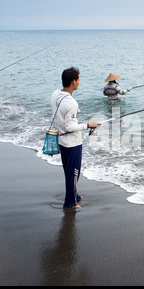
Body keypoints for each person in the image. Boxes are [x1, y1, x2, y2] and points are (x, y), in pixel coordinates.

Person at [51, 67, 100, 210]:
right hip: (72, 143)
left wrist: (73, 114)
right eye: (78, 79)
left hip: (61, 140)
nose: (79, 82)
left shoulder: (55, 94)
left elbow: (61, 114)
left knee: (69, 171)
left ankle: (75, 195)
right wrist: (88, 125)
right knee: (74, 172)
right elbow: (69, 127)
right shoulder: (71, 103)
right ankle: (70, 203)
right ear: (73, 82)